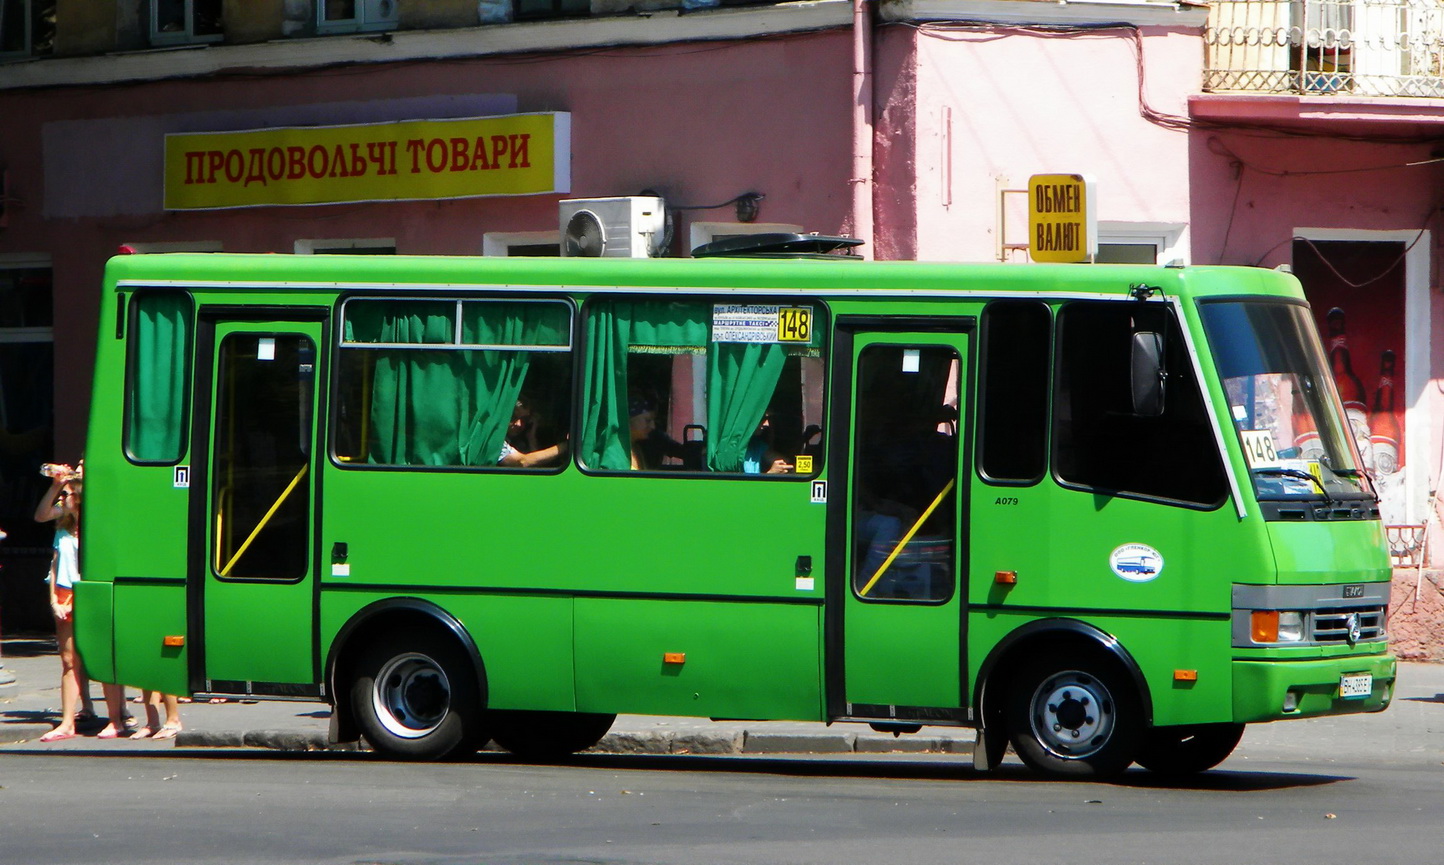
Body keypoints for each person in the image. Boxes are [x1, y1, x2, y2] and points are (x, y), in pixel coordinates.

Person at [35, 463, 97, 742]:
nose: (63, 498)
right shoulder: (64, 522)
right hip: (63, 592)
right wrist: (57, 484)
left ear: (80, 497)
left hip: (85, 592)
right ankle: (67, 721)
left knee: (96, 656)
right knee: (69, 660)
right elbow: (40, 515)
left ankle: (117, 714)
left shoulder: (93, 525)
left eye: (67, 494)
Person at [498, 399, 567, 468]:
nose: (518, 424)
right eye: (513, 417)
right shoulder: (496, 440)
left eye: (524, 420)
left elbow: (537, 466)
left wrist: (531, 438)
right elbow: (521, 462)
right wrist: (566, 445)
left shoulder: (520, 441)